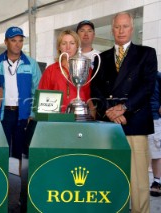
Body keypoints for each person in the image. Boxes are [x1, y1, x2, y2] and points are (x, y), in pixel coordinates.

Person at [91, 12, 157, 213]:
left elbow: (147, 87)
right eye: (117, 27)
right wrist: (110, 112)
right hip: (109, 125)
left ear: (132, 28)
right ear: (112, 30)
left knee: (138, 181)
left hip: (135, 122)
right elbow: (96, 90)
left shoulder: (146, 53)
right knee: (110, 176)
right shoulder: (101, 58)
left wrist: (124, 108)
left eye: (125, 26)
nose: (121, 31)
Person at [0, 26, 41, 212]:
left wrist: (34, 114)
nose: (17, 44)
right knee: (1, 152)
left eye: (20, 40)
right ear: (6, 42)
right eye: (13, 40)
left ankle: (21, 196)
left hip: (24, 115)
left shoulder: (31, 63)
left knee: (22, 156)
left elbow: (38, 90)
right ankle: (0, 192)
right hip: (3, 114)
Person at [38, 30, 92, 113]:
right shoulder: (50, 70)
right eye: (64, 43)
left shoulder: (86, 69)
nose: (68, 47)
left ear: (77, 46)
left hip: (81, 117)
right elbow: (42, 100)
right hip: (57, 119)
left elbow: (91, 98)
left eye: (72, 43)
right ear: (59, 47)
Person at [148, 71, 161, 197]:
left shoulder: (157, 75)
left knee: (156, 153)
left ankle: (157, 181)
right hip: (133, 118)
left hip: (153, 118)